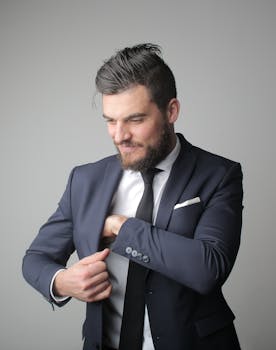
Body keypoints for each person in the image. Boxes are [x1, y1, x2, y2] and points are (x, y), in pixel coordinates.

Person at [22, 43, 243, 350]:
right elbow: (35, 259)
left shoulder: (218, 174)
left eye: (135, 120)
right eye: (110, 120)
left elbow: (209, 268)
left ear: (171, 111)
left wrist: (120, 227)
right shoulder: (85, 180)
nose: (119, 135)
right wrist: (61, 282)